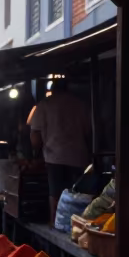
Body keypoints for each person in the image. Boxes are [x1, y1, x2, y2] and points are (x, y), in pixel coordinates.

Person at [29, 80, 92, 226]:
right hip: (78, 155)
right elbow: (89, 131)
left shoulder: (44, 104)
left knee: (56, 191)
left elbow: (35, 135)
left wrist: (35, 153)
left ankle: (55, 222)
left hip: (54, 155)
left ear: (52, 90)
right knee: (77, 193)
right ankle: (76, 224)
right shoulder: (80, 105)